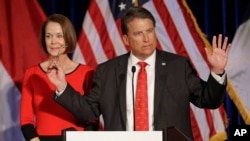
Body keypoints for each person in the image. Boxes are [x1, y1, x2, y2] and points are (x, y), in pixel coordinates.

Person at [48, 7, 231, 140]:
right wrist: (62, 87)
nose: (146, 39)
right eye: (139, 34)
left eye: (150, 31)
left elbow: (209, 100)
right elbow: (89, 112)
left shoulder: (178, 66)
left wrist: (217, 71)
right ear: (126, 39)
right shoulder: (107, 71)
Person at [20, 14, 98, 141]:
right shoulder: (32, 73)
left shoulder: (87, 73)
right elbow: (26, 119)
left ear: (68, 38)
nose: (53, 41)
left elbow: (92, 118)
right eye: (48, 36)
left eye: (59, 36)